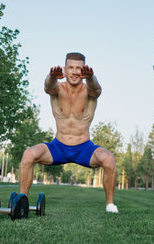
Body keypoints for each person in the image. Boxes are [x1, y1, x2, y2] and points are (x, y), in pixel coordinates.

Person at [19, 52, 118, 213]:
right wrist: (51, 77)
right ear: (64, 70)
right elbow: (48, 87)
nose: (74, 71)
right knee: (28, 154)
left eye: (78, 68)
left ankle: (110, 205)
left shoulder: (89, 90)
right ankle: (21, 201)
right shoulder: (58, 88)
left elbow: (97, 90)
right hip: (58, 148)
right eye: (70, 67)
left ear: (84, 70)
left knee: (108, 159)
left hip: (84, 149)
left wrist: (91, 77)